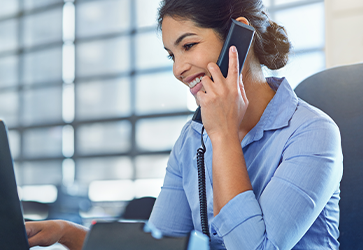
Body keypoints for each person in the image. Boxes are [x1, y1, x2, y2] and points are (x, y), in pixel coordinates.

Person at [25, 0, 343, 249]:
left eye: (188, 46)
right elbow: (158, 247)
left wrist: (223, 135)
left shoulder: (313, 133)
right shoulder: (193, 139)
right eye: (171, 55)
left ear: (239, 39)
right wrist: (64, 232)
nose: (179, 69)